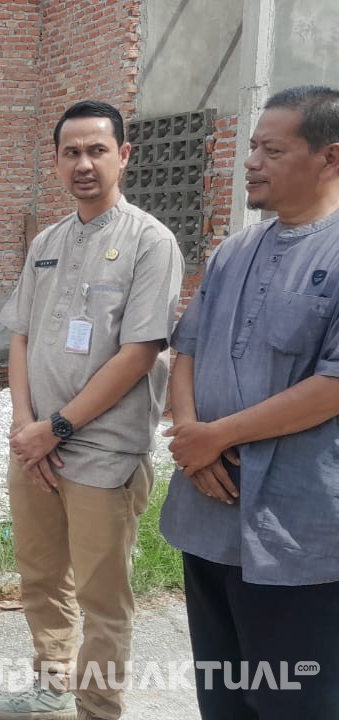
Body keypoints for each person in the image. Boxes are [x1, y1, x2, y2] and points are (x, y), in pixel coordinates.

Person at [0, 101, 183, 720]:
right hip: (37, 448)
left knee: (103, 596)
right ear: (57, 162)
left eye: (97, 150)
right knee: (41, 578)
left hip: (103, 451)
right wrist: (24, 428)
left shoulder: (151, 241)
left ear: (123, 155)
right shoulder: (47, 242)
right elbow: (21, 334)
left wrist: (58, 427)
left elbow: (141, 351)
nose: (84, 163)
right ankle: (50, 690)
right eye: (72, 152)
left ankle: (99, 709)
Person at [160, 85, 339, 719]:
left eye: (272, 148)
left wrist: (217, 436)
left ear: (330, 157)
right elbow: (188, 348)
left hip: (296, 530)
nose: (251, 160)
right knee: (224, 692)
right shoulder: (234, 250)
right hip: (206, 518)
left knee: (294, 698)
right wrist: (189, 437)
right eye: (252, 146)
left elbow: (331, 387)